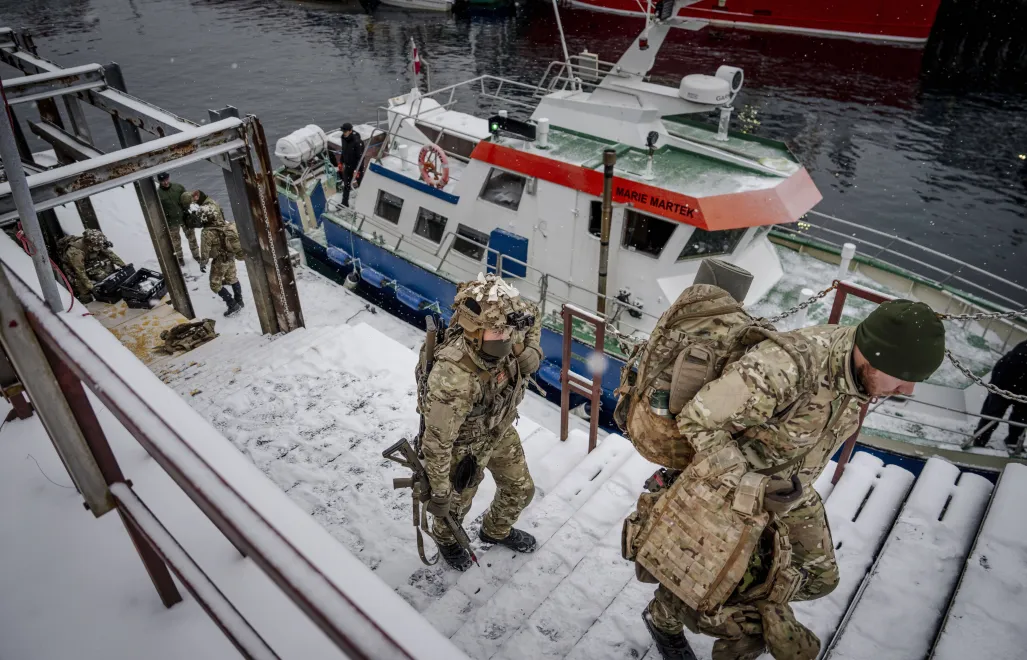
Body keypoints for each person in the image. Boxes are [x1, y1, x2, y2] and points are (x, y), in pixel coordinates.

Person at [639, 299, 946, 660]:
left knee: (818, 578)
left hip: (791, 490)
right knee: (727, 593)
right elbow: (697, 419)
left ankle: (733, 604)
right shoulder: (785, 367)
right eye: (904, 378)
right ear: (876, 355)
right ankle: (670, 616)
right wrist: (750, 486)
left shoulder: (857, 370)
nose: (907, 391)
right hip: (731, 492)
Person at [417, 273, 544, 571]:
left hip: (498, 426)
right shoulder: (454, 378)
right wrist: (439, 492)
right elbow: (437, 443)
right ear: (474, 331)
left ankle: (495, 530)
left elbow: (533, 316)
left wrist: (532, 350)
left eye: (507, 331)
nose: (506, 338)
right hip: (464, 446)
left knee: (521, 489)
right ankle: (447, 540)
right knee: (453, 510)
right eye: (497, 333)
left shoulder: (508, 322)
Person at [184, 190, 245, 317]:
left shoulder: (207, 232)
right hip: (230, 256)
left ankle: (232, 304)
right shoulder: (224, 225)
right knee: (232, 278)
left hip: (219, 260)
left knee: (215, 285)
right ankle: (239, 300)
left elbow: (205, 251)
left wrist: (203, 263)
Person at [972, 340, 1027, 448]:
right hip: (1003, 382)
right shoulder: (1022, 351)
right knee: (992, 414)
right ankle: (979, 441)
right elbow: (1009, 365)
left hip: (1021, 387)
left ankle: (1013, 443)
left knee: (1021, 418)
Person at [58, 229, 126, 303]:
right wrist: (91, 287)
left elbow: (110, 254)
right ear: (89, 244)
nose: (99, 247)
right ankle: (85, 302)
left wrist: (123, 265)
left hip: (88, 263)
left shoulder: (97, 242)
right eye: (97, 247)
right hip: (74, 270)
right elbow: (80, 272)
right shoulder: (76, 253)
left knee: (103, 277)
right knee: (84, 289)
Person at [155, 172, 199, 267]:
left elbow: (187, 199)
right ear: (159, 181)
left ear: (169, 178)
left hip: (184, 217)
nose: (165, 182)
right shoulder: (158, 194)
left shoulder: (178, 187)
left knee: (192, 237)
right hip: (171, 222)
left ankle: (196, 255)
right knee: (175, 242)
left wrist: (189, 207)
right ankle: (179, 258)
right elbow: (158, 209)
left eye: (166, 179)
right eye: (163, 181)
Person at [338, 123, 364, 208]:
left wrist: (357, 170)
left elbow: (360, 157)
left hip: (357, 166)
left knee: (361, 183)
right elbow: (343, 151)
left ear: (350, 131)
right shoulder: (343, 138)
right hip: (348, 165)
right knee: (347, 184)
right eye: (343, 131)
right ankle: (344, 203)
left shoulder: (357, 142)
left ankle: (364, 200)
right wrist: (341, 162)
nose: (344, 133)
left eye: (345, 131)